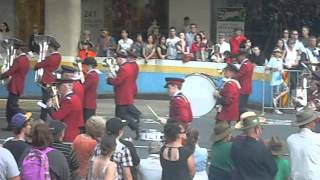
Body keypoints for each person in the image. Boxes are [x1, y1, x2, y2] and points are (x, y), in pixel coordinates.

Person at [231, 112, 277, 180]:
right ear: (257, 130)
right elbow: (273, 169)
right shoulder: (262, 148)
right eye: (261, 128)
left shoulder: (235, 144)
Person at [107, 53, 141, 139]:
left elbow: (117, 81)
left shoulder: (123, 68)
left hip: (122, 95)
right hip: (126, 94)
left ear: (120, 59)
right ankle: (119, 131)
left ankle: (134, 126)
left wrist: (109, 80)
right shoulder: (129, 66)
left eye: (117, 59)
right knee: (121, 115)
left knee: (121, 116)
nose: (116, 61)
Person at [0, 39, 30, 130]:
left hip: (15, 85)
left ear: (19, 50)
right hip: (19, 84)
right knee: (9, 107)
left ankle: (24, 114)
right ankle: (10, 125)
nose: (15, 51)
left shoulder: (19, 60)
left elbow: (10, 72)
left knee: (12, 106)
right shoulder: (26, 59)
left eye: (16, 49)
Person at [34, 36, 62, 121]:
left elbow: (37, 66)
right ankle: (44, 117)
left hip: (46, 80)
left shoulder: (50, 57)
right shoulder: (58, 56)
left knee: (46, 100)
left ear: (52, 47)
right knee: (48, 99)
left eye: (49, 47)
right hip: (52, 79)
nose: (48, 49)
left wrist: (41, 59)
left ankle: (46, 117)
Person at [47, 78, 84, 142]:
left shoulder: (68, 100)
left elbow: (56, 117)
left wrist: (49, 107)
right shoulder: (75, 97)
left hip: (67, 133)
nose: (57, 89)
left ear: (64, 87)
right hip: (74, 131)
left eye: (58, 87)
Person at [287, 109, 320, 179]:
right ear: (309, 123)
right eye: (314, 121)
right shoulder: (318, 138)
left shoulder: (290, 139)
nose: (315, 124)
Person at [266, 48, 289, 115]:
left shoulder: (280, 60)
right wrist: (275, 69)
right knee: (275, 93)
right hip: (274, 79)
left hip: (280, 78)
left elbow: (281, 68)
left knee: (287, 89)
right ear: (274, 53)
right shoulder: (272, 59)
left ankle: (276, 99)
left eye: (279, 52)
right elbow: (267, 68)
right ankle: (276, 109)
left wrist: (282, 71)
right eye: (276, 52)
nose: (278, 53)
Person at [236, 50, 254, 115]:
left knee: (241, 107)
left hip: (243, 88)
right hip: (247, 88)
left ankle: (247, 119)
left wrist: (231, 77)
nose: (238, 58)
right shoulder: (249, 64)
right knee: (242, 106)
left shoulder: (245, 65)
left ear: (243, 56)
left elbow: (239, 75)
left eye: (239, 56)